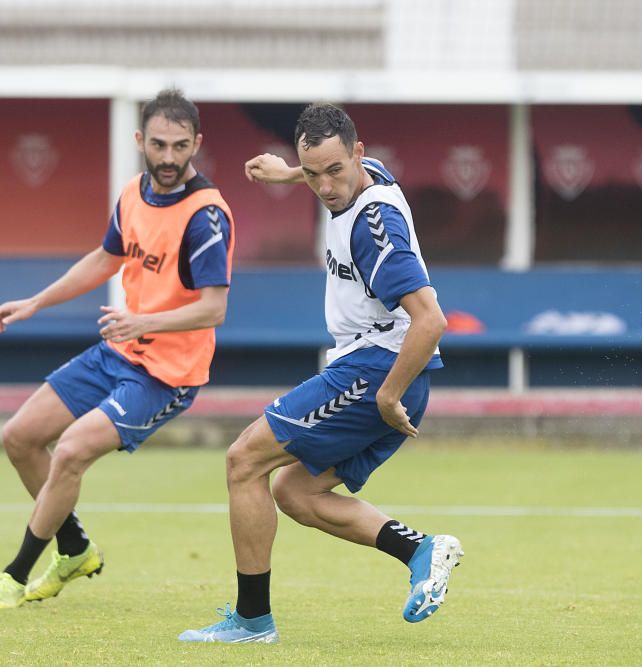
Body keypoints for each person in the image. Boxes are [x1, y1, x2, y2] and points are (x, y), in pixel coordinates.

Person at [179, 103, 462, 644]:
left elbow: (431, 320)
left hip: (379, 366)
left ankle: (251, 621)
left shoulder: (375, 230)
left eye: (334, 170)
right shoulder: (368, 170)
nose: (326, 186)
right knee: (295, 492)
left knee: (243, 461)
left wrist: (387, 395)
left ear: (356, 153)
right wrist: (288, 172)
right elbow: (331, 171)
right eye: (313, 173)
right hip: (375, 367)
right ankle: (421, 550)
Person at [0, 89, 235, 609]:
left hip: (168, 373)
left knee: (69, 451)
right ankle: (74, 548)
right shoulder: (133, 194)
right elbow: (103, 259)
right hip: (122, 351)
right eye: (158, 144)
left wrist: (143, 320)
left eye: (180, 146)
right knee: (20, 437)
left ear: (197, 144)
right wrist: (36, 301)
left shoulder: (206, 216)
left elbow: (213, 309)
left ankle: (16, 575)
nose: (167, 157)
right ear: (140, 140)